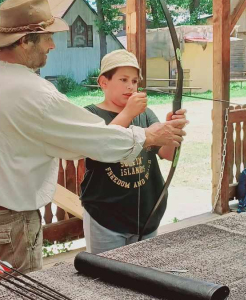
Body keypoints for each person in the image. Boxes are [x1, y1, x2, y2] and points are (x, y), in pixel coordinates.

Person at [0, 0, 187, 290]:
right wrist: (148, 136)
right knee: (17, 294)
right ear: (24, 41)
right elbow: (95, 140)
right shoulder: (34, 92)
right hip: (7, 224)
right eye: (47, 37)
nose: (52, 46)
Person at [80, 50, 188, 254]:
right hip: (105, 217)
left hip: (146, 214)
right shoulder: (91, 114)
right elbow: (98, 148)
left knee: (142, 275)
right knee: (106, 277)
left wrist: (172, 130)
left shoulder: (146, 114)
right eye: (123, 79)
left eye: (134, 81)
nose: (130, 86)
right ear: (104, 82)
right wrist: (128, 112)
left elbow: (167, 154)